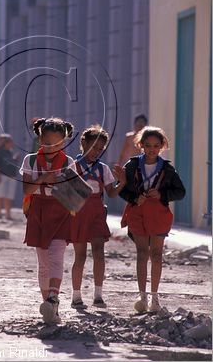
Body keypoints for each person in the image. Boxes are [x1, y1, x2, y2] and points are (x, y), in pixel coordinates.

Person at [118, 126, 185, 313]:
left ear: (162, 146)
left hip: (158, 214)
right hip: (137, 212)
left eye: (156, 145)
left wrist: (162, 194)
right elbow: (120, 188)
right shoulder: (131, 166)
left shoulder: (167, 169)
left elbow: (180, 192)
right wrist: (133, 198)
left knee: (156, 254)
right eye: (148, 145)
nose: (152, 149)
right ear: (141, 145)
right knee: (142, 253)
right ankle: (142, 295)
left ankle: (155, 296)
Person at [20, 117, 75, 324]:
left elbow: (74, 195)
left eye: (57, 143)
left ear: (64, 142)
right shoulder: (31, 160)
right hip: (38, 209)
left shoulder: (70, 163)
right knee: (43, 262)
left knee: (56, 255)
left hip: (60, 210)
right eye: (47, 143)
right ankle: (49, 307)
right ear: (40, 139)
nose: (52, 147)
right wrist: (44, 178)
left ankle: (53, 298)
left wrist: (60, 182)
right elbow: (27, 190)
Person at [70, 125, 126, 309]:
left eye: (101, 149)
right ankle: (76, 296)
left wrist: (122, 182)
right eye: (94, 147)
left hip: (97, 212)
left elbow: (111, 193)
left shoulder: (103, 169)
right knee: (80, 256)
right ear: (84, 144)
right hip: (78, 213)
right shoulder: (73, 167)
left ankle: (98, 295)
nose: (97, 152)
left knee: (99, 254)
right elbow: (64, 195)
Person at [0, 134, 19, 220]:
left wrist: (15, 159)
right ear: (5, 143)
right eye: (10, 141)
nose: (12, 143)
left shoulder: (10, 152)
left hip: (10, 176)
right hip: (1, 175)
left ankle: (8, 214)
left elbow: (9, 162)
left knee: (9, 196)